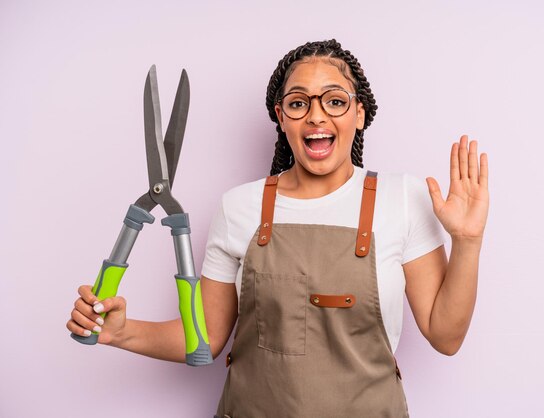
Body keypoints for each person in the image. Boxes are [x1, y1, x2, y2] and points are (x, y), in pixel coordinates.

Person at [67, 39, 489, 417]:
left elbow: (445, 336)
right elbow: (205, 340)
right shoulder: (239, 207)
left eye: (335, 101)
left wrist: (467, 242)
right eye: (299, 102)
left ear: (359, 114)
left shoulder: (402, 198)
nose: (316, 116)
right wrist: (122, 333)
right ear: (281, 116)